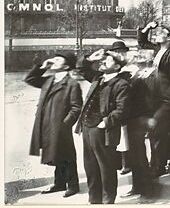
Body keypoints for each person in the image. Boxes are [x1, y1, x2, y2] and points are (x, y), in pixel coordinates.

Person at [76, 50, 130, 204]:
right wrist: (90, 58)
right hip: (88, 128)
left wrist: (105, 122)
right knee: (90, 167)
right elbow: (81, 69)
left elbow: (122, 109)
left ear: (117, 66)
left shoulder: (121, 84)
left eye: (108, 60)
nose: (103, 61)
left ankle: (108, 201)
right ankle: (94, 200)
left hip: (104, 131)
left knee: (106, 168)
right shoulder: (98, 78)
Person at [26, 52, 82, 198]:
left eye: (58, 59)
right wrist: (41, 67)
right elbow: (30, 79)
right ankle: (59, 183)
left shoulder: (72, 83)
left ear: (67, 65)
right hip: (46, 123)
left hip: (60, 125)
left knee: (67, 153)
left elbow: (76, 107)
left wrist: (65, 124)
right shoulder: (49, 79)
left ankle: (73, 185)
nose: (54, 61)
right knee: (55, 152)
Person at [138, 21, 170, 178]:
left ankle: (158, 167)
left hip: (165, 101)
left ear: (169, 38)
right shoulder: (157, 50)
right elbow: (142, 42)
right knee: (154, 134)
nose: (157, 34)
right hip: (153, 98)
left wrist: (168, 100)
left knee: (158, 133)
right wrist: (147, 28)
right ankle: (157, 164)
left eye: (161, 33)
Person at [118, 47, 153, 200]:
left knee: (139, 156)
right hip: (131, 120)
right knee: (134, 156)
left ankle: (146, 191)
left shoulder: (141, 77)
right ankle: (137, 187)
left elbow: (147, 100)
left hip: (138, 120)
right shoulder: (130, 75)